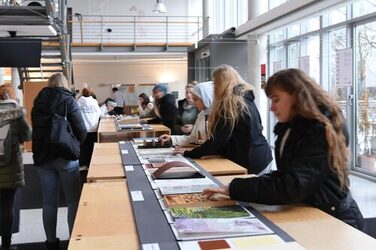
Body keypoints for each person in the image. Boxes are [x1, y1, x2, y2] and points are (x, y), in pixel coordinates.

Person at [203, 68, 365, 230]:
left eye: (276, 99)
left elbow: (292, 185)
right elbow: (285, 176)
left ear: (297, 95)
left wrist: (235, 188)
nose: (271, 108)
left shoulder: (320, 129)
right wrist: (233, 188)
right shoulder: (292, 127)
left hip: (337, 220)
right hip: (310, 213)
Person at [179, 65, 272, 175]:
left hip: (251, 160)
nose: (213, 88)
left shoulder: (230, 105)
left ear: (222, 84)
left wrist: (190, 153)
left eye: (214, 83)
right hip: (260, 155)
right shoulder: (244, 99)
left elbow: (218, 139)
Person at [31, 73, 87, 250]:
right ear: (64, 84)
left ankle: (51, 243)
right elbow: (81, 129)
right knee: (72, 201)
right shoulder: (68, 100)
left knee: (48, 202)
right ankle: (73, 241)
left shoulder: (38, 101)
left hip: (43, 155)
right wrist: (75, 142)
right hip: (65, 155)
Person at [0, 84, 31, 250]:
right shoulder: (17, 114)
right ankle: (6, 245)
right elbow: (28, 135)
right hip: (10, 166)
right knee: (7, 205)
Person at [159, 81, 213, 146]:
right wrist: (171, 138)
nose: (195, 102)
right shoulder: (201, 115)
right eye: (187, 92)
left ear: (205, 98)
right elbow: (192, 139)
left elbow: (211, 144)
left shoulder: (216, 116)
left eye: (196, 99)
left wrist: (188, 152)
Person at [77, 88, 102, 170]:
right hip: (93, 129)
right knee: (92, 148)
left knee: (82, 148)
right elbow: (99, 114)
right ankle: (90, 165)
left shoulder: (78, 102)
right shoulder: (94, 102)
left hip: (82, 129)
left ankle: (82, 165)